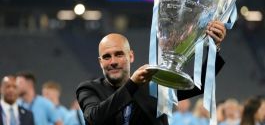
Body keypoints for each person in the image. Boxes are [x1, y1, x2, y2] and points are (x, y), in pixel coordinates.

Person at [76, 21, 227, 125]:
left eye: (119, 54)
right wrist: (132, 85)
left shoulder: (154, 87)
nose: (113, 61)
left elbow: (197, 85)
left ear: (131, 56)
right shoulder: (89, 89)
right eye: (106, 57)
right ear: (100, 62)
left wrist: (215, 48)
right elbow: (94, 119)